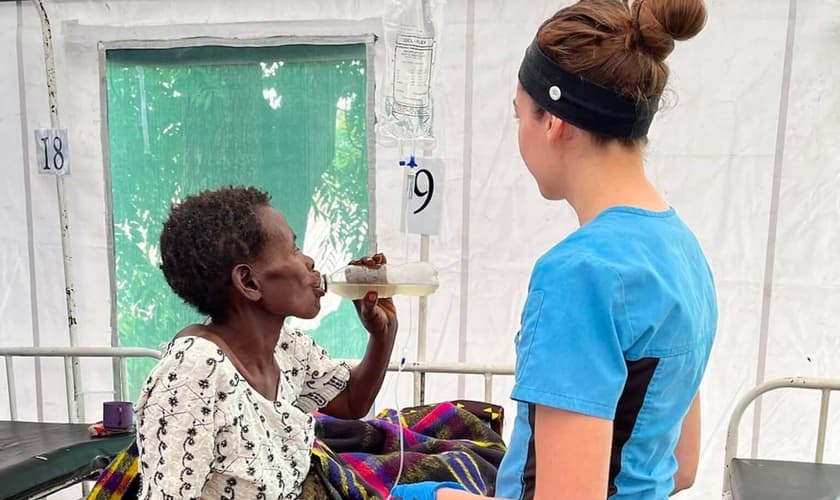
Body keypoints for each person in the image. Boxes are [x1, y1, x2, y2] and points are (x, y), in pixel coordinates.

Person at [391, 0, 717, 499]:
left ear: (554, 123)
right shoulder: (682, 251)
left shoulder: (581, 273)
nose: (519, 131)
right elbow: (681, 467)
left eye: (519, 114)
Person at [135, 186, 397, 499]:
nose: (310, 261)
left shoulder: (285, 348)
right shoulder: (194, 372)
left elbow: (353, 401)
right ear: (248, 282)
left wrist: (383, 334)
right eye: (294, 250)